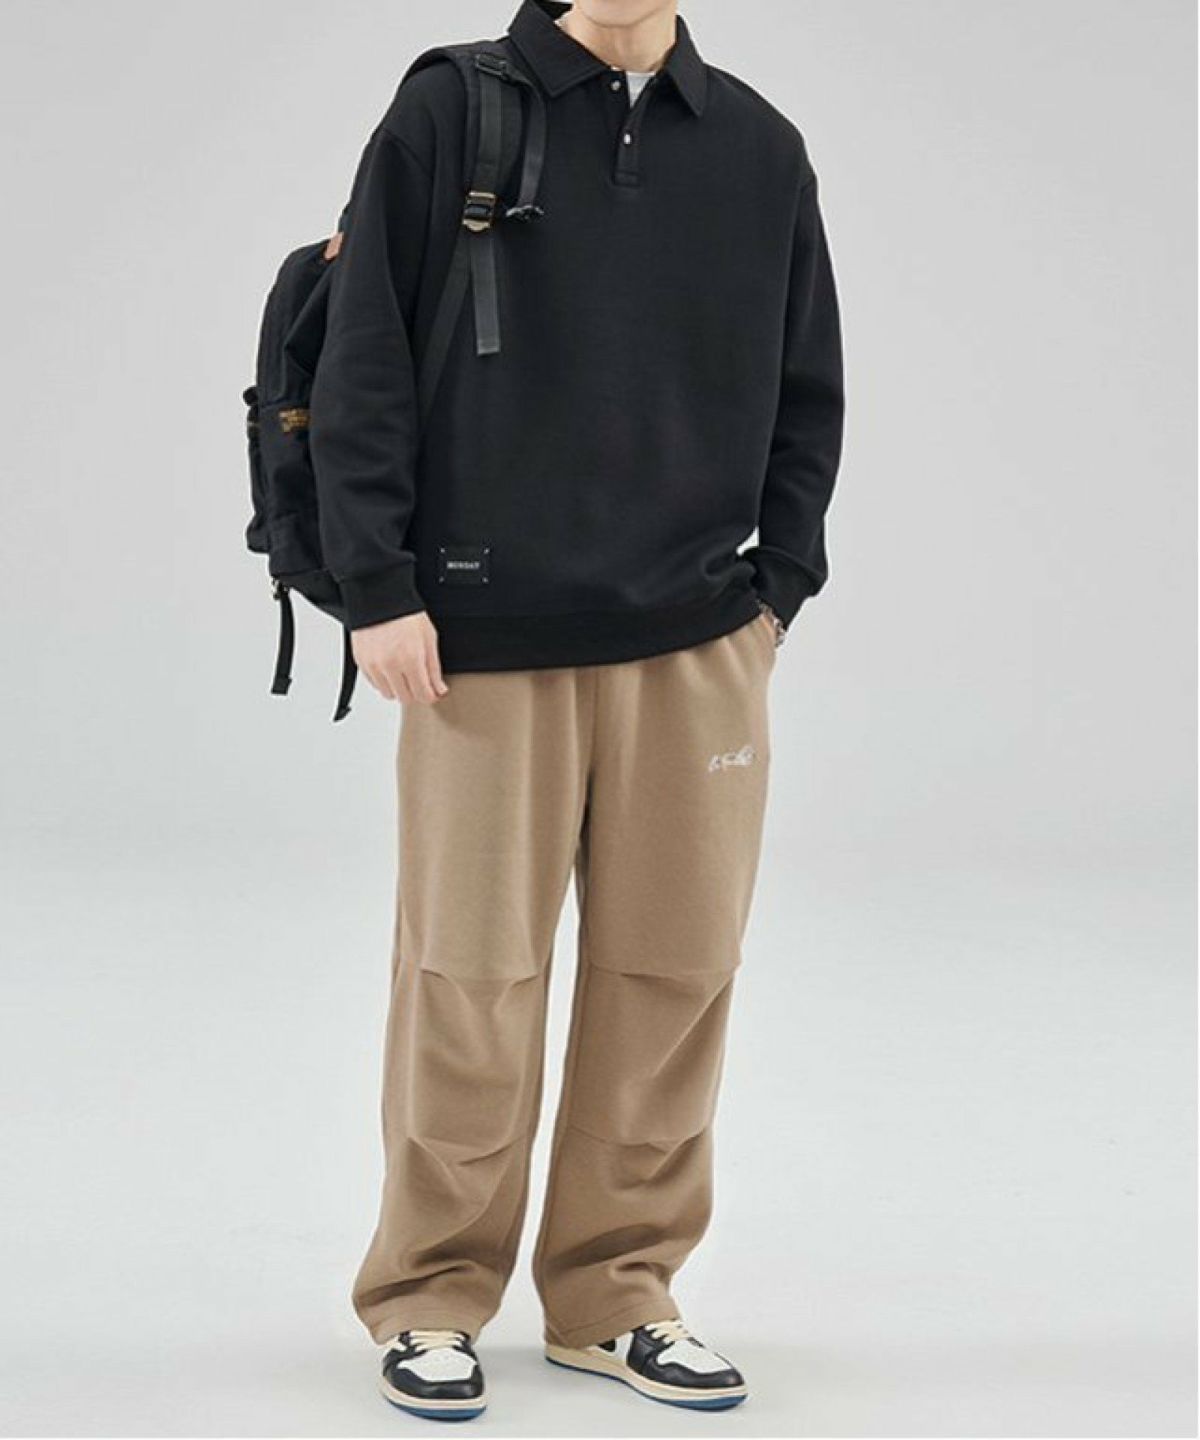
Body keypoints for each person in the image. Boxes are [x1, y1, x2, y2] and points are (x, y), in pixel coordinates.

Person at [310, 0, 843, 1419]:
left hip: (698, 640)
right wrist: (376, 585)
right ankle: (431, 1295)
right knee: (468, 978)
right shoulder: (448, 109)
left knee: (676, 975)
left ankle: (616, 1294)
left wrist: (778, 590)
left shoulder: (759, 147)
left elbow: (809, 390)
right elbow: (363, 352)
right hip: (479, 643)